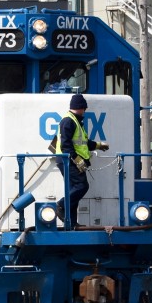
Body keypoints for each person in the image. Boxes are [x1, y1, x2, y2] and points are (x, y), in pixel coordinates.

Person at [55, 93, 92, 229]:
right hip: (68, 160)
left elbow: (83, 143)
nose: (84, 111)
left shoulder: (75, 121)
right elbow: (66, 144)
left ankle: (71, 223)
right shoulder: (69, 120)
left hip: (70, 160)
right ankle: (60, 205)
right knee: (81, 186)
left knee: (74, 191)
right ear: (81, 107)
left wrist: (99, 145)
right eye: (84, 108)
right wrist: (77, 159)